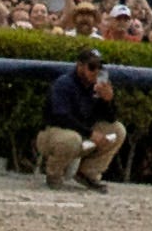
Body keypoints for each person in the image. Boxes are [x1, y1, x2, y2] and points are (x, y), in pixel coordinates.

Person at [36, 47, 125, 192]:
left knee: (118, 131)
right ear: (80, 66)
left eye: (99, 68)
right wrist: (90, 133)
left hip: (83, 137)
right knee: (71, 139)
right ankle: (54, 174)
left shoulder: (97, 87)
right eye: (91, 67)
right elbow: (61, 117)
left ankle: (88, 173)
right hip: (53, 134)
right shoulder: (64, 84)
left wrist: (108, 101)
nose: (96, 71)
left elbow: (111, 119)